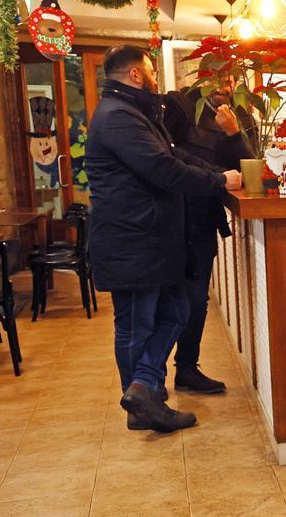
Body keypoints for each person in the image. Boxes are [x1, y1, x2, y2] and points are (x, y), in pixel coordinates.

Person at [85, 45, 242, 433]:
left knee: (175, 311)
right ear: (136, 74)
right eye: (152, 69)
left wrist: (217, 173)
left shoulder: (134, 112)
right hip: (132, 240)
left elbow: (175, 155)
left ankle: (143, 391)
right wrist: (219, 180)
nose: (157, 76)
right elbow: (164, 169)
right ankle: (142, 402)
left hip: (150, 239)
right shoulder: (118, 117)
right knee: (137, 324)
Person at [163, 83, 257, 394]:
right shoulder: (181, 104)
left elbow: (249, 166)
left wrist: (233, 133)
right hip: (172, 216)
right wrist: (217, 176)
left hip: (203, 219)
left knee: (196, 300)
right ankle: (148, 379)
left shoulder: (241, 113)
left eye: (231, 77)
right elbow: (168, 153)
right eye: (219, 75)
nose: (225, 84)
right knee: (165, 300)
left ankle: (186, 369)